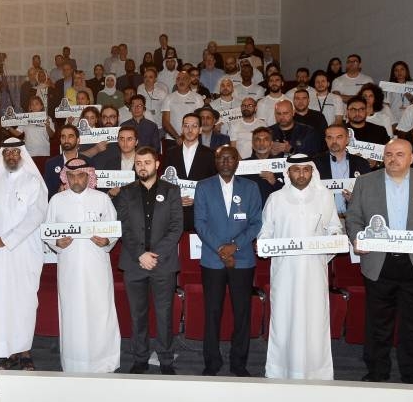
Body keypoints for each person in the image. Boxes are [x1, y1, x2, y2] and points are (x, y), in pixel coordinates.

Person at [346, 139, 413, 385]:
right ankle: (377, 373)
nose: (393, 158)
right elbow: (354, 217)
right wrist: (357, 238)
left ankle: (412, 375)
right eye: (389, 154)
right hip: (380, 263)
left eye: (400, 154)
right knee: (378, 324)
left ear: (411, 158)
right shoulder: (366, 182)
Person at [257, 154, 340, 380]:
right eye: (296, 170)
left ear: (312, 171)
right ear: (288, 172)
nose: (301, 174)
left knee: (315, 322)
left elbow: (335, 228)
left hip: (315, 272)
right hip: (285, 273)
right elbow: (266, 232)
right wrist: (263, 244)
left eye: (306, 169)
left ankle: (317, 373)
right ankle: (281, 371)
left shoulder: (325, 196)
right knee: (285, 319)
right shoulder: (276, 198)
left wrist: (332, 240)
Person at [44, 158, 120, 373]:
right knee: (73, 313)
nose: (76, 180)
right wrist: (56, 242)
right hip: (70, 268)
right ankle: (74, 363)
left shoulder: (102, 199)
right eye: (71, 176)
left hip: (97, 268)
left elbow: (113, 229)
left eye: (80, 175)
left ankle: (104, 361)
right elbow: (48, 231)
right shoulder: (57, 201)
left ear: (88, 176)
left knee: (100, 312)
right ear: (65, 177)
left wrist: (107, 241)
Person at [193, 146, 263, 377]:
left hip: (242, 259)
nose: (225, 162)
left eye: (230, 158)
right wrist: (222, 249)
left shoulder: (250, 188)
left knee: (242, 313)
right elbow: (200, 223)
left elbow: (256, 222)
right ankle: (212, 361)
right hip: (212, 259)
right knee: (212, 312)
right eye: (221, 158)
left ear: (237, 162)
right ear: (215, 162)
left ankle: (238, 363)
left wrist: (236, 246)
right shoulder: (203, 187)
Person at [0, 138, 48, 371]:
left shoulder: (33, 181)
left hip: (24, 251)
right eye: (7, 152)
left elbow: (36, 216)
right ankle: (8, 352)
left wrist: (7, 239)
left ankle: (25, 351)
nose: (11, 156)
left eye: (15, 152)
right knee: (1, 301)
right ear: (3, 155)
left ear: (22, 154)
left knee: (24, 301)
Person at [116, 147, 183, 375]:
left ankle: (166, 359)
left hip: (163, 263)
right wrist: (140, 254)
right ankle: (140, 358)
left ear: (157, 164)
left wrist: (154, 255)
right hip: (134, 263)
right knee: (138, 315)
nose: (142, 166)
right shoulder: (126, 192)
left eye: (146, 162)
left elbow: (176, 227)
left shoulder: (171, 190)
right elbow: (123, 227)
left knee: (164, 314)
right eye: (138, 163)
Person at [164, 113, 217, 230]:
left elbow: (214, 185)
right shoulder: (170, 153)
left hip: (201, 214)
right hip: (175, 214)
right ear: (182, 129)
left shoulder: (211, 154)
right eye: (186, 126)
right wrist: (175, 199)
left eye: (194, 126)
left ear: (200, 130)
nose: (190, 130)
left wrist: (199, 199)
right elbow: (165, 184)